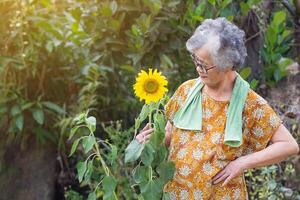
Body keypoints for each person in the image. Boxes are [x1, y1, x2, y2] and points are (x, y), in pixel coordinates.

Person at [134, 17, 299, 200]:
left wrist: (243, 163)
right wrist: (151, 139)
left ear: (226, 64)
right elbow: (170, 135)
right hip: (177, 194)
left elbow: (289, 145)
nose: (198, 68)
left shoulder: (250, 104)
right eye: (195, 60)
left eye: (204, 65)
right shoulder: (187, 90)